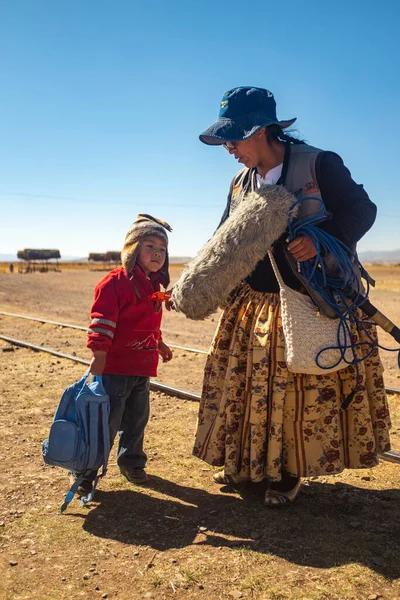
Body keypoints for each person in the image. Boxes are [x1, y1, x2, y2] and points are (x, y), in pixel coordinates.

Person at [187, 86, 391, 506]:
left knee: (300, 393)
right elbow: (224, 238)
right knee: (249, 389)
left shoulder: (320, 164)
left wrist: (322, 239)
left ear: (261, 129)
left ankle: (287, 471)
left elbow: (362, 210)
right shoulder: (240, 182)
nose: (228, 148)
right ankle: (247, 462)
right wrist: (195, 283)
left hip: (311, 298)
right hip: (254, 303)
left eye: (233, 137)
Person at [72, 214, 173, 494]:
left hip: (142, 366)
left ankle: (131, 461)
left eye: (162, 249)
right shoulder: (115, 283)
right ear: (132, 249)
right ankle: (86, 471)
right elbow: (102, 320)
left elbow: (147, 323)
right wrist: (99, 352)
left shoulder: (154, 286)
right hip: (116, 368)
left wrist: (159, 343)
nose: (156, 253)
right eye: (149, 246)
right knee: (106, 420)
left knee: (137, 419)